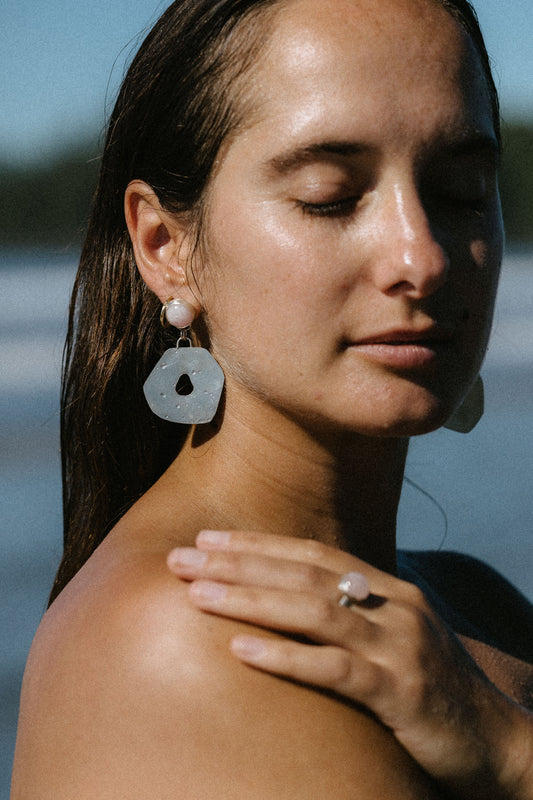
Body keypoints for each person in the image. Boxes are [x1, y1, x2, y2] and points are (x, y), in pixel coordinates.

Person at [10, 0, 533, 796]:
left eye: (460, 190)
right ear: (165, 247)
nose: (419, 255)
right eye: (329, 196)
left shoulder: (470, 606)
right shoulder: (191, 633)